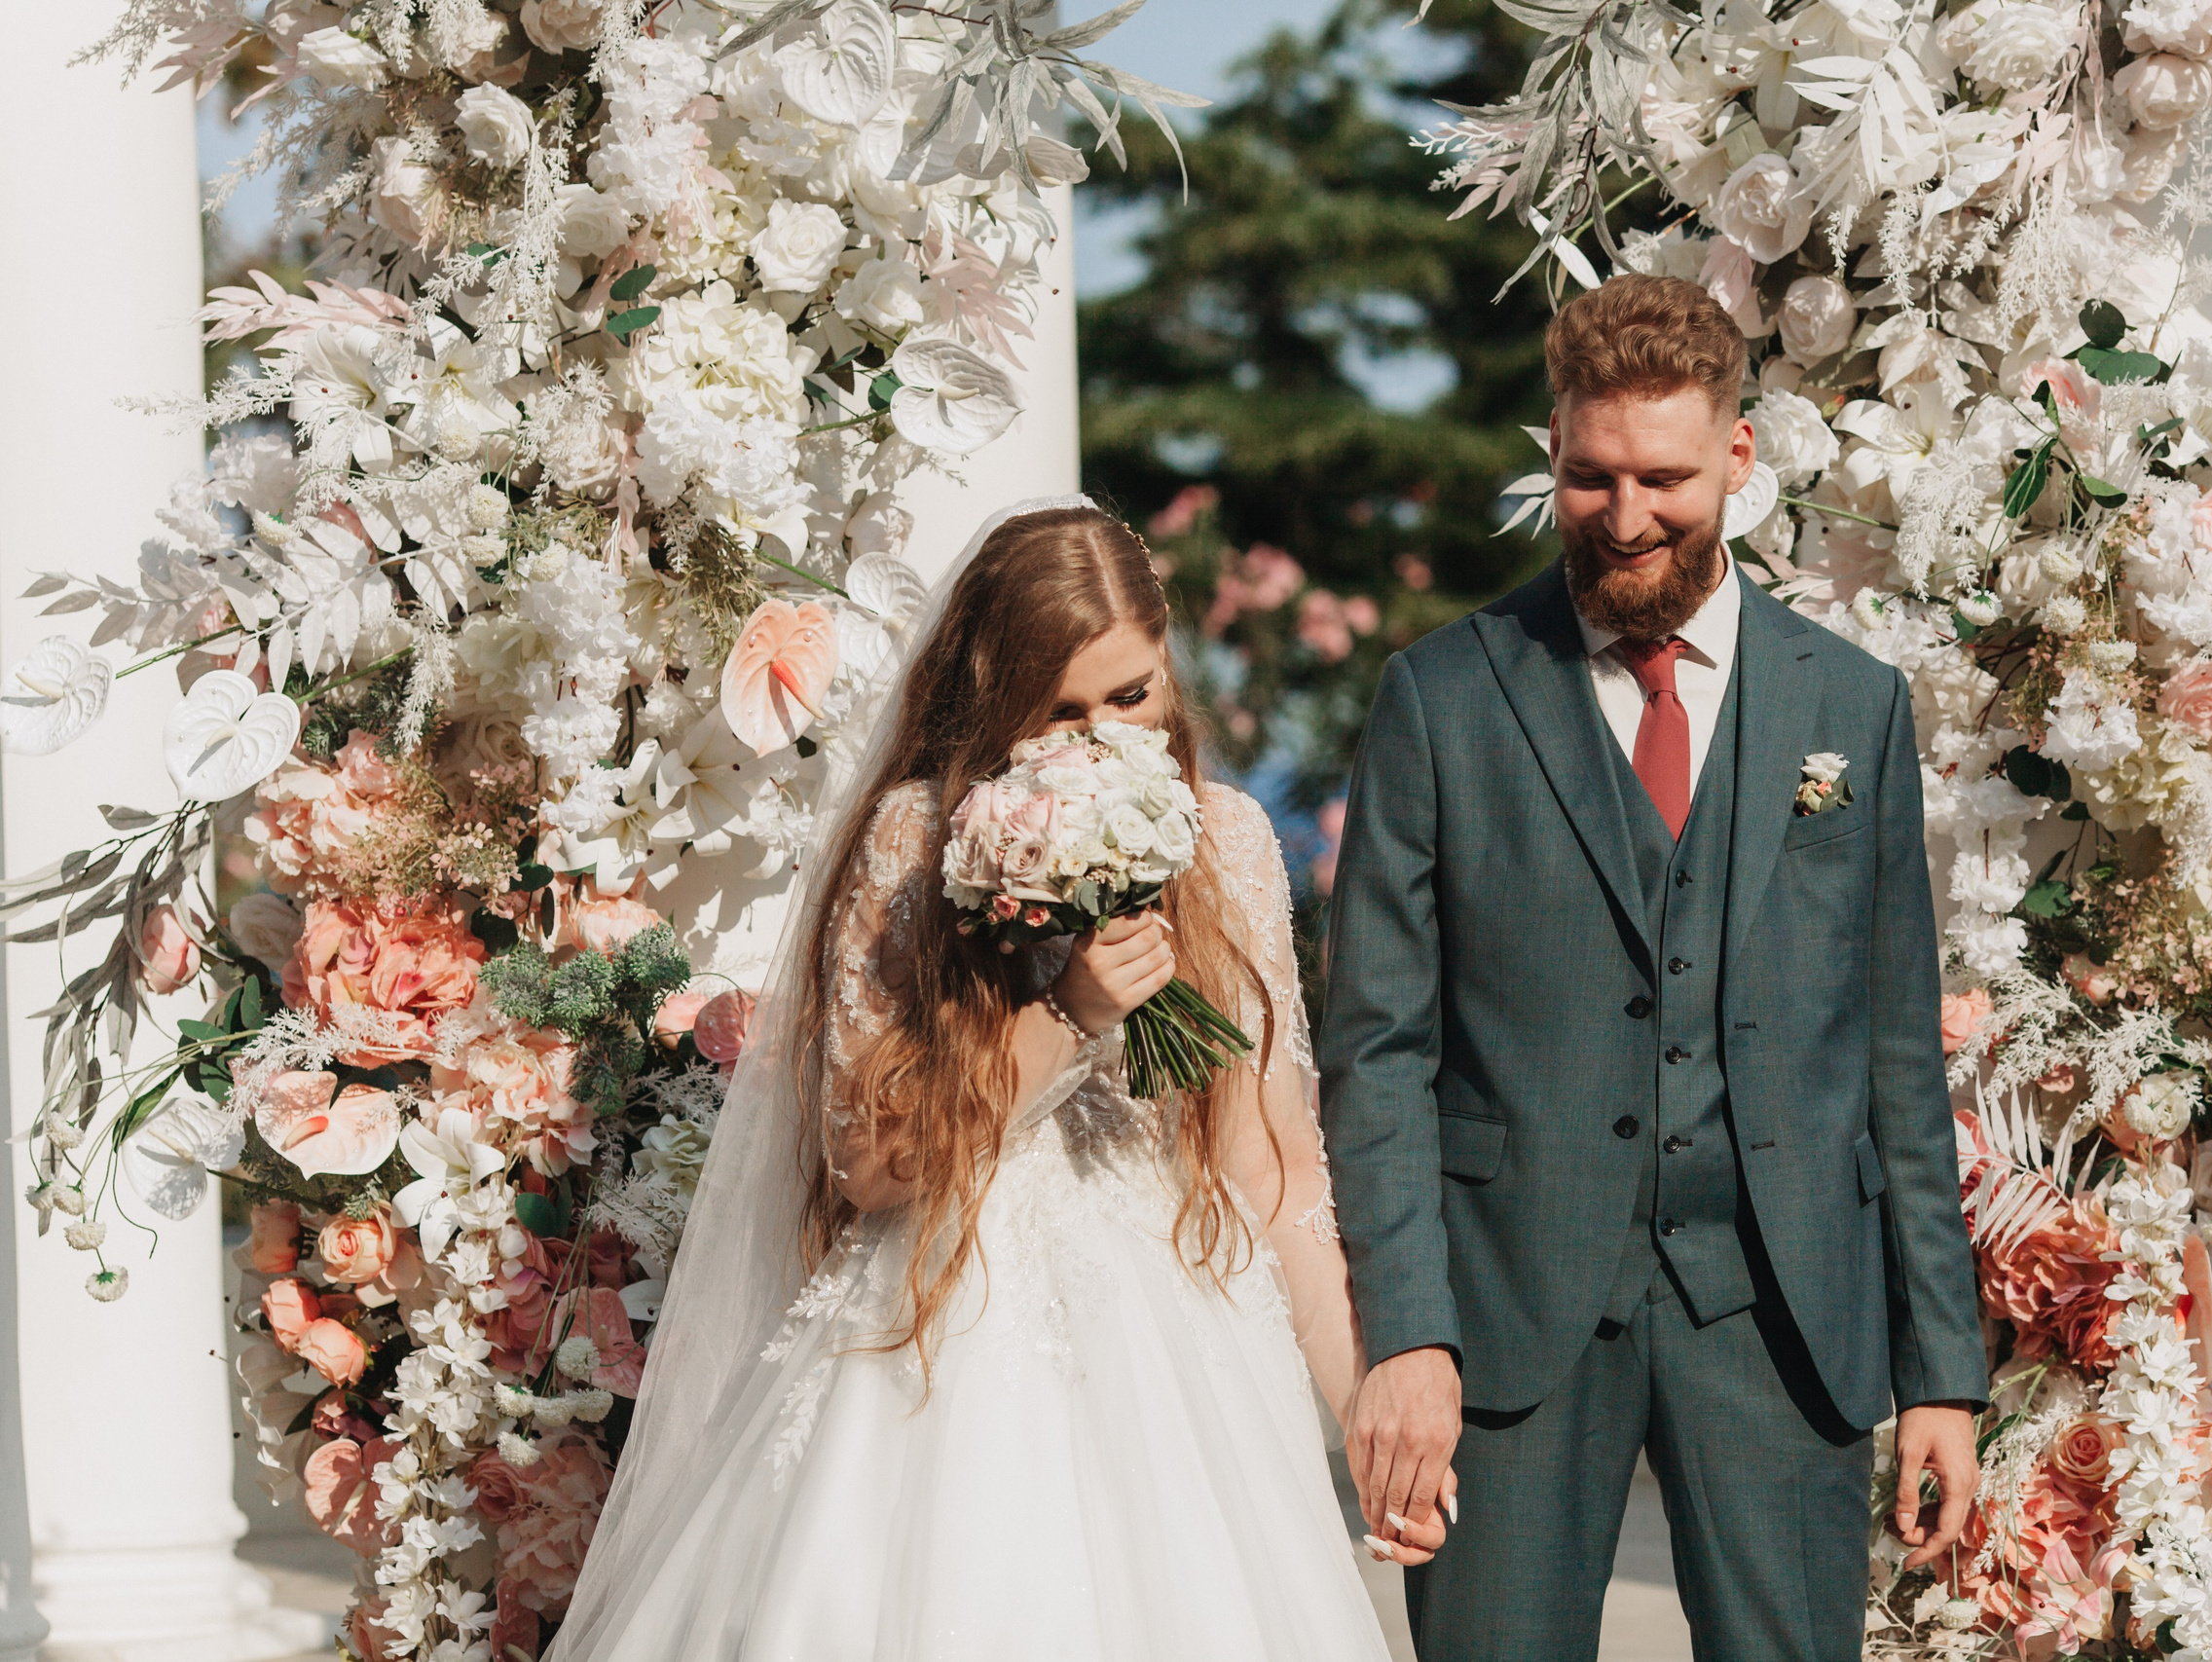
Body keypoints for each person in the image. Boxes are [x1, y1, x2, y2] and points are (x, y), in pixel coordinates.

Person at [548, 499, 1437, 1662]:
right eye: (1057, 710)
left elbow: (1269, 1167)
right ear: (993, 694)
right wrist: (1068, 1013)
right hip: (939, 1328)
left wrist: (1365, 1407)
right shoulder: (912, 841)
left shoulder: (1226, 841)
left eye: (1132, 696)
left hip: (1175, 1343)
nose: (1103, 739)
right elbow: (870, 1167)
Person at [1318, 276, 1988, 1662]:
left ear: (1739, 457)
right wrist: (1406, 1332)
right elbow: (1375, 1054)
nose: (1626, 520)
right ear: (1552, 447)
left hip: (1781, 1316)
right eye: (1589, 477)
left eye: (1665, 479)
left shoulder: (1853, 709)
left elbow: (1895, 1062)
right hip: (1503, 1324)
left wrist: (1942, 1371)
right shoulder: (1440, 698)